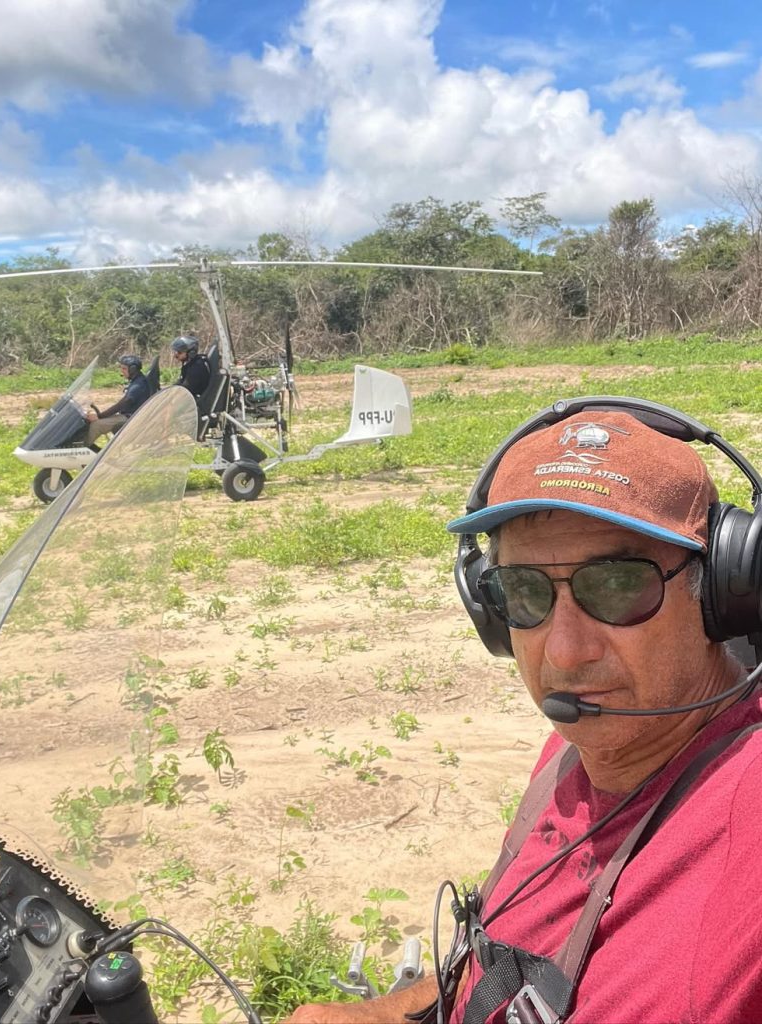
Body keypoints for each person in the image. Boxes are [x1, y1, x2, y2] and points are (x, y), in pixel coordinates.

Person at [289, 401, 762, 1024]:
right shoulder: (591, 738)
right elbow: (513, 956)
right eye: (525, 591)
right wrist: (385, 1014)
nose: (565, 651)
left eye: (617, 584)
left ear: (723, 591)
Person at [85, 354, 151, 446]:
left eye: (124, 369)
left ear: (132, 369)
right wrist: (102, 415)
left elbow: (123, 403)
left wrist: (100, 416)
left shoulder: (138, 384)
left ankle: (83, 450)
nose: (122, 371)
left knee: (96, 425)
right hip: (128, 415)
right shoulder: (136, 381)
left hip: (131, 417)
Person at [171, 335, 211, 406]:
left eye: (179, 352)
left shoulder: (196, 367)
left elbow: (186, 389)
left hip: (197, 403)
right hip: (193, 399)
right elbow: (181, 382)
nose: (176, 355)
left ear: (191, 352)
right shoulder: (190, 364)